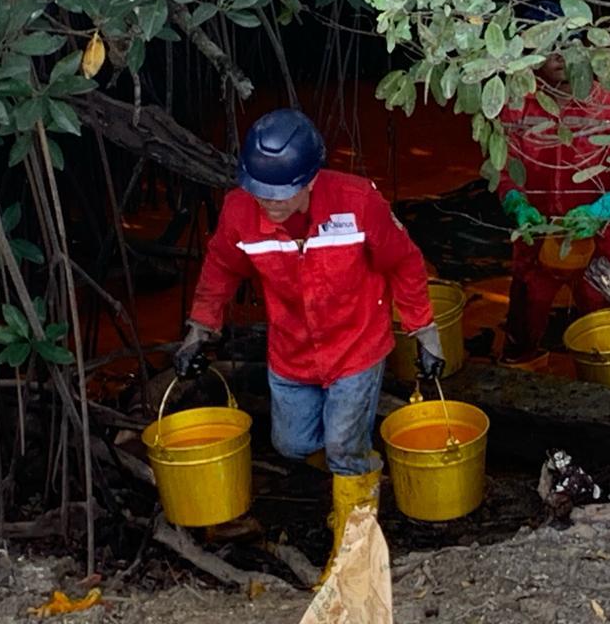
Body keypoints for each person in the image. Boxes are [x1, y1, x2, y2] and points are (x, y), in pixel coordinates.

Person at [172, 109, 443, 580]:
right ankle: (356, 469)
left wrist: (425, 331)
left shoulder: (358, 203)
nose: (269, 203)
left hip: (357, 345)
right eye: (260, 192)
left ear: (311, 180)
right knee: (291, 444)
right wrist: (200, 331)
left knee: (342, 446)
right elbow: (219, 271)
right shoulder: (239, 213)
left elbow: (404, 261)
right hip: (292, 351)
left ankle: (352, 546)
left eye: (280, 193)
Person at [496, 0, 610, 364]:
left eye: (569, 42)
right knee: (523, 329)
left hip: (598, 245)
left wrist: (599, 212)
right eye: (548, 45)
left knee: (603, 337)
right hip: (536, 240)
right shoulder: (516, 108)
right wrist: (517, 205)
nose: (560, 54)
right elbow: (503, 170)